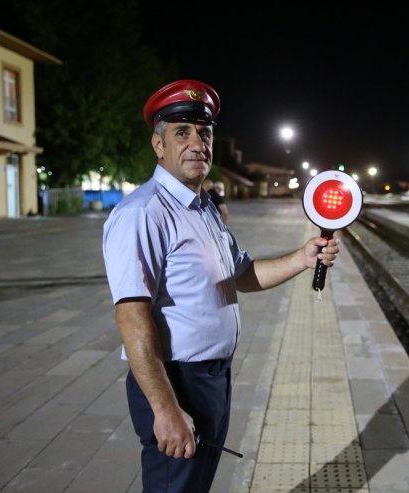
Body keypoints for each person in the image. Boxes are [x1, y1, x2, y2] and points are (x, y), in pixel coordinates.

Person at [102, 79, 338, 493]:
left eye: (205, 133)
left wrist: (303, 258)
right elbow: (132, 316)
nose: (198, 143)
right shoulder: (143, 213)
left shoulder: (203, 208)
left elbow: (241, 275)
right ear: (159, 146)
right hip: (177, 381)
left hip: (214, 379)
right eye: (182, 132)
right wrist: (165, 408)